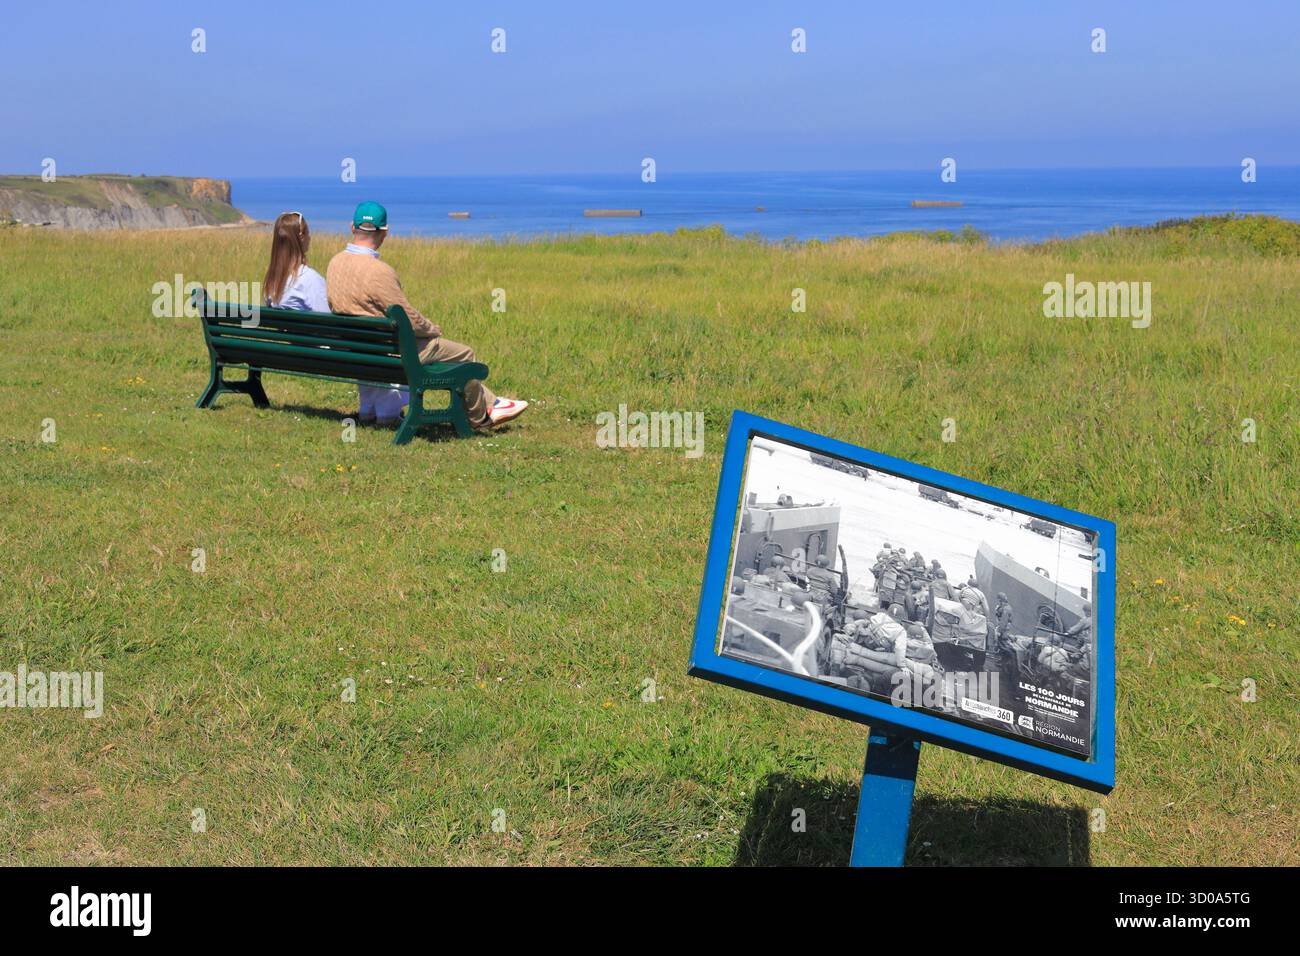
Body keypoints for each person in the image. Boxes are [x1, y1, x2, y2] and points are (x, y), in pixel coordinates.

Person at [326, 201, 527, 429]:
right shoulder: (379, 271)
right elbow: (408, 319)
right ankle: (479, 418)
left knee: (448, 352)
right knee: (464, 353)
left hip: (359, 350)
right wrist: (432, 329)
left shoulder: (334, 263)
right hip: (392, 352)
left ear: (352, 227)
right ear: (385, 232)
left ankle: (495, 403)